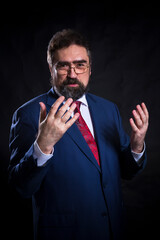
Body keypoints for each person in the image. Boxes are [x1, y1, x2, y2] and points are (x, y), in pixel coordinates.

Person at [9, 29, 149, 240]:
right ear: (51, 69)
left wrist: (136, 146)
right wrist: (42, 146)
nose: (73, 74)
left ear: (90, 69)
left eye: (80, 64)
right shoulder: (28, 115)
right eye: (63, 66)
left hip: (113, 230)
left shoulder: (107, 109)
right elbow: (20, 187)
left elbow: (127, 171)